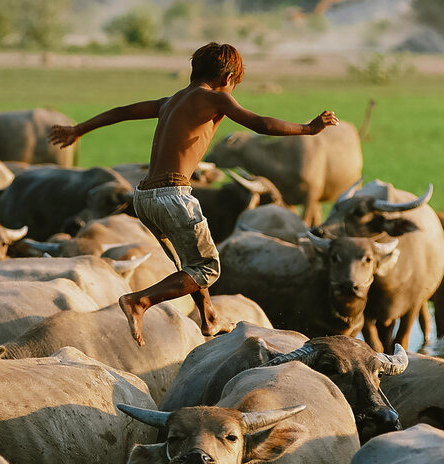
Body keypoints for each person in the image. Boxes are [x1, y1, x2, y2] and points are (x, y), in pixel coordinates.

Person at [49, 42, 339, 346]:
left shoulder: (170, 101)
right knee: (208, 267)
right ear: (228, 80)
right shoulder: (217, 99)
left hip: (143, 196)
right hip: (173, 194)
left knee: (190, 262)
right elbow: (259, 123)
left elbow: (123, 111)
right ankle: (139, 302)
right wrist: (308, 128)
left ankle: (209, 317)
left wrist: (78, 129)